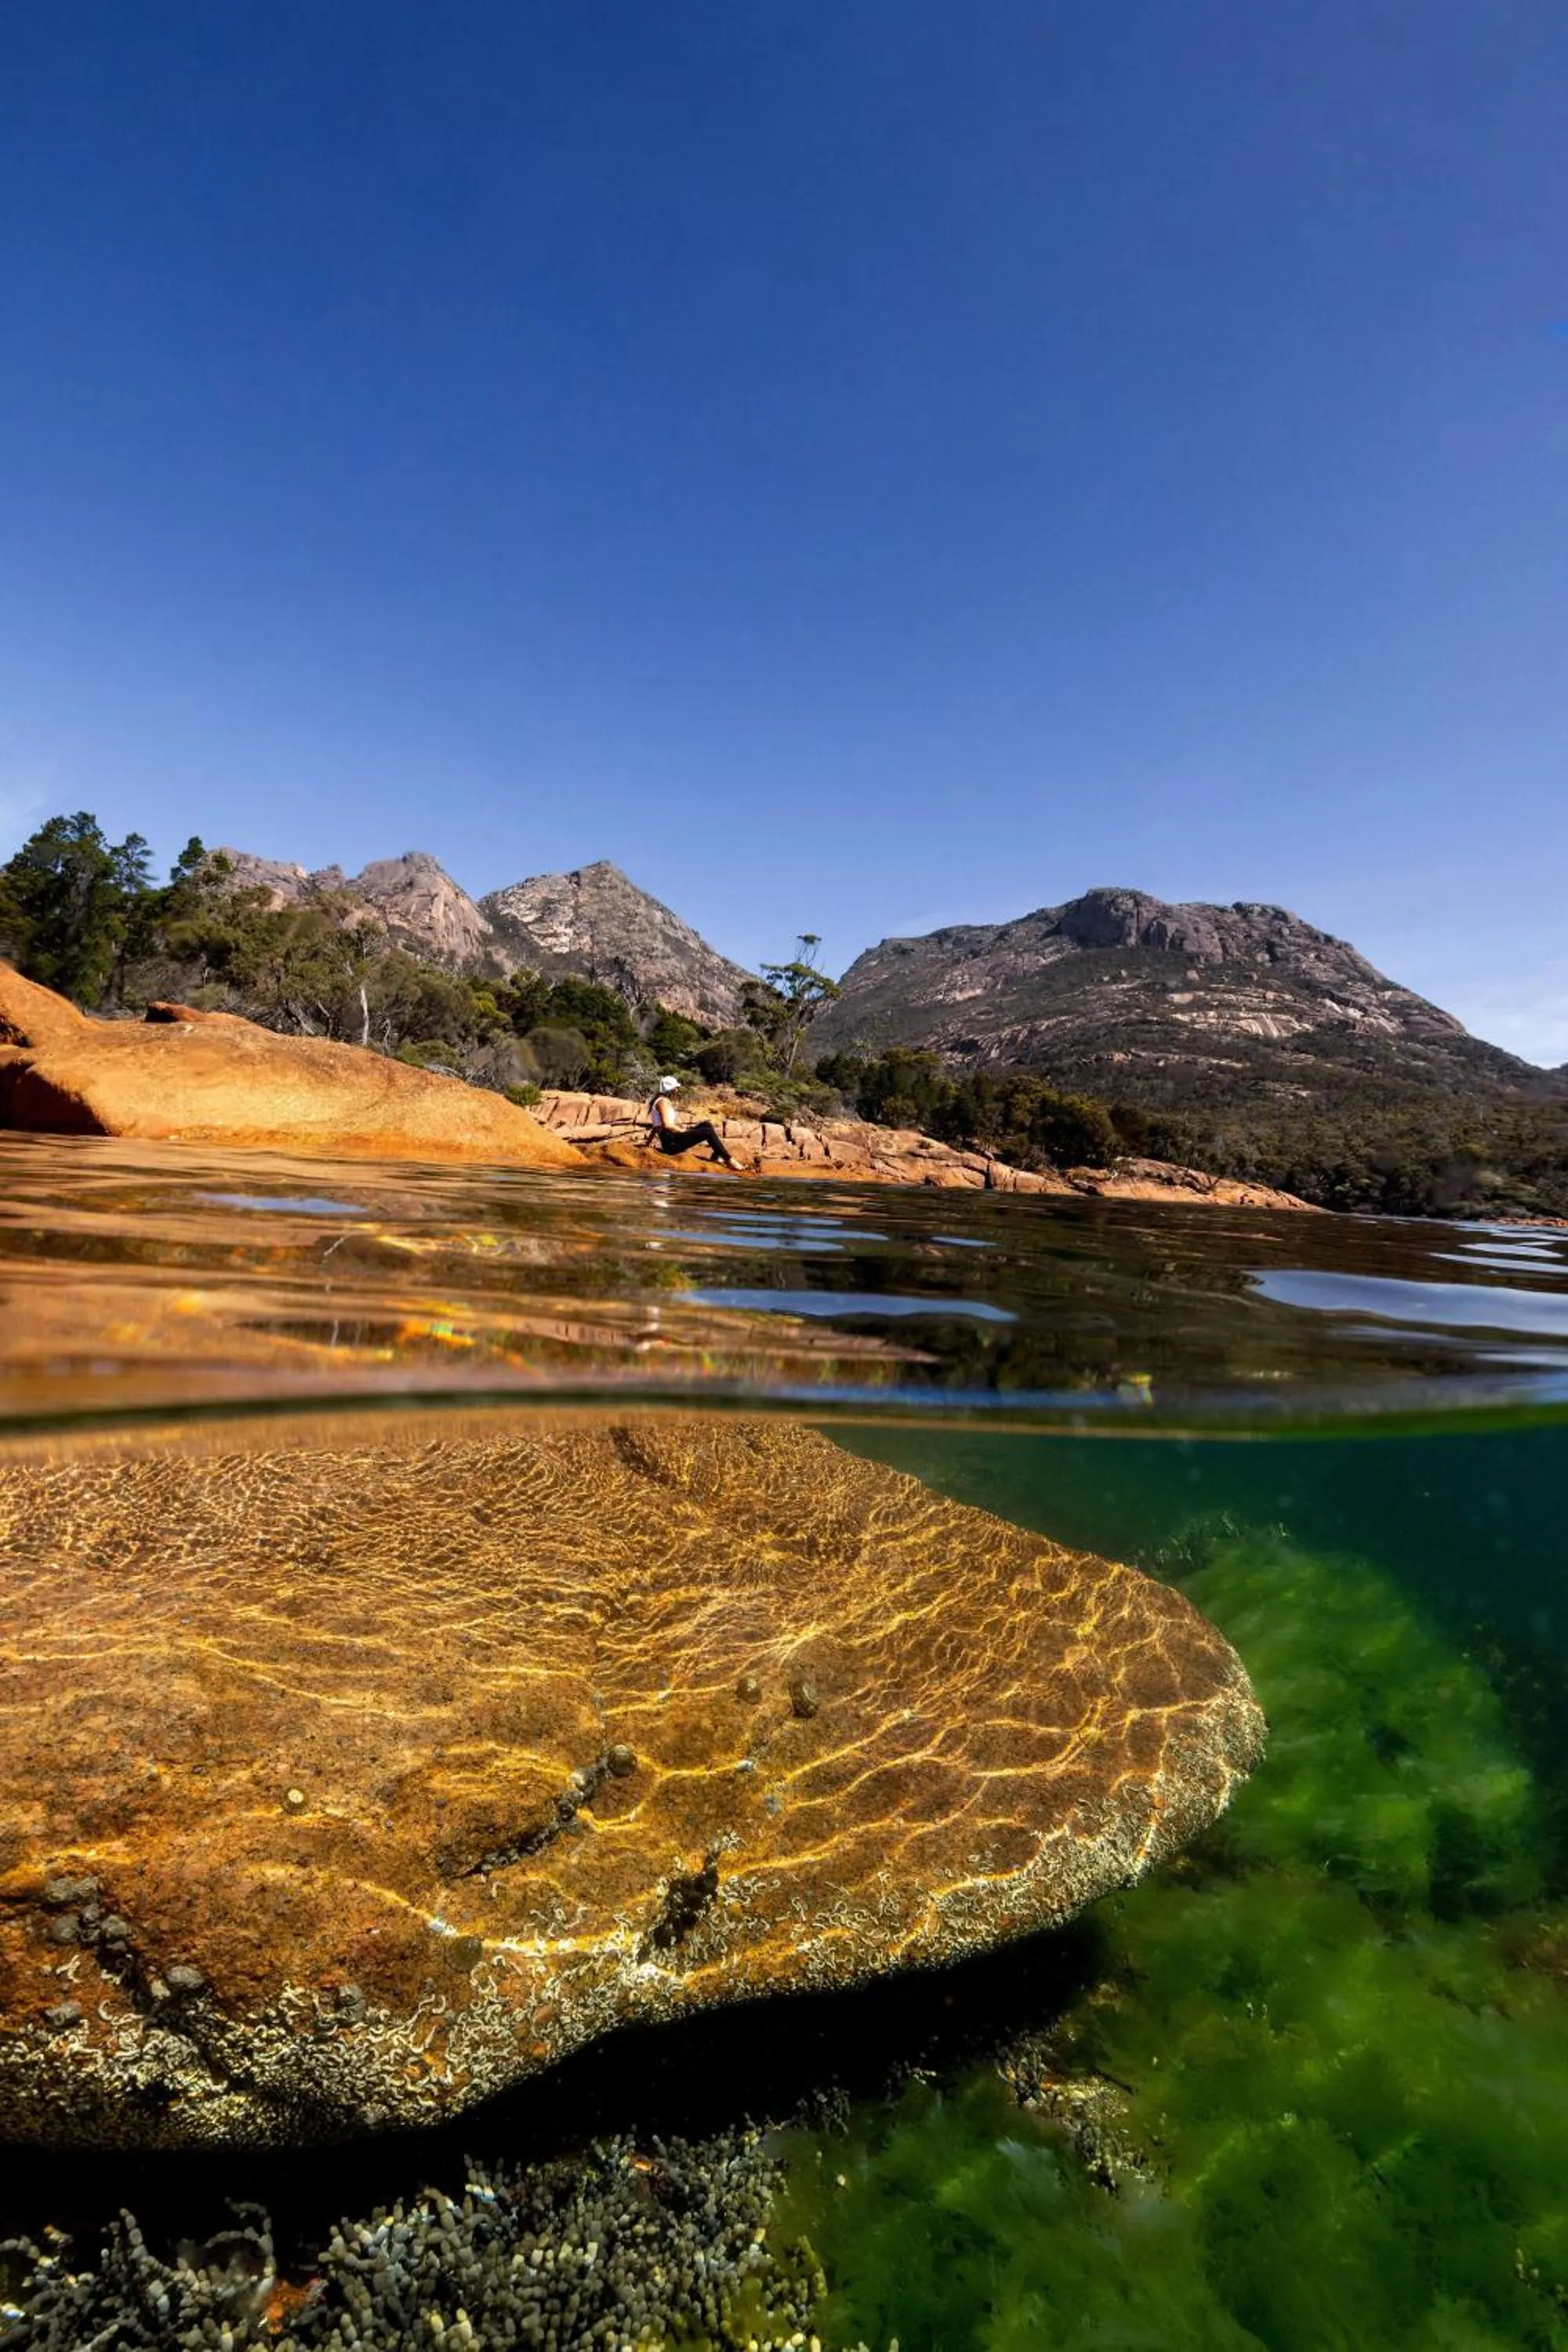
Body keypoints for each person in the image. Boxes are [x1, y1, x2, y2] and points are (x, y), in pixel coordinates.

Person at [646, 1076, 738, 1167]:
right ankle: (730, 1160)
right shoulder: (663, 1102)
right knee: (707, 1132)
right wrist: (683, 1131)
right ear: (670, 1089)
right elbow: (667, 1125)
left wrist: (647, 1144)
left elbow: (655, 1127)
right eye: (675, 1088)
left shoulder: (660, 1101)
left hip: (672, 1139)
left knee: (706, 1124)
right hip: (672, 1142)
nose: (677, 1091)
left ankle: (716, 1156)